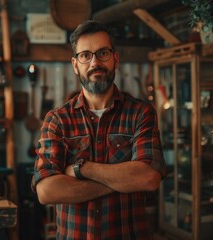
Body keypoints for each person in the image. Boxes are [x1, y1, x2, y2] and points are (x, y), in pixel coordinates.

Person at [31, 20, 167, 240]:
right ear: (75, 64)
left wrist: (80, 169)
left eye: (102, 53)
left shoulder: (141, 113)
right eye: (85, 55)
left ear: (115, 58)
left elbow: (148, 178)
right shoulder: (57, 120)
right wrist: (122, 182)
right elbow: (46, 191)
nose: (95, 62)